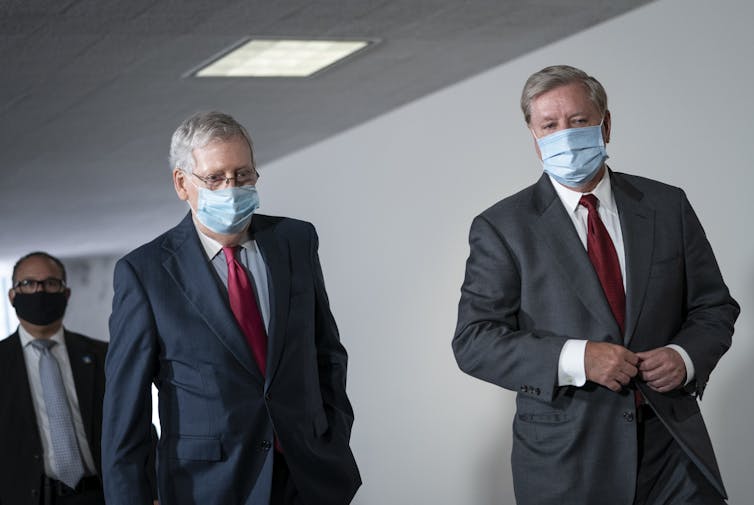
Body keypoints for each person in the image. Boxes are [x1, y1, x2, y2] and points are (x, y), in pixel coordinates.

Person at [452, 65, 739, 505]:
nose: (564, 134)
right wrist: (577, 358)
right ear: (534, 136)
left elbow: (713, 307)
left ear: (605, 124)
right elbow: (474, 341)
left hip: (674, 452)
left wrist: (685, 356)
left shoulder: (667, 205)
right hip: (568, 461)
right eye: (550, 125)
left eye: (578, 121)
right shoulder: (502, 227)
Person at [102, 111, 361, 505]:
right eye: (215, 178)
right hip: (208, 485)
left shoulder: (295, 240)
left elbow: (326, 352)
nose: (232, 188)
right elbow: (126, 417)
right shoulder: (145, 273)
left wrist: (331, 434)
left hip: (308, 476)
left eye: (243, 175)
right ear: (181, 183)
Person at [0, 252, 108, 505]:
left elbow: (137, 427)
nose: (40, 291)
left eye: (51, 283)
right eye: (28, 284)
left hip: (100, 495)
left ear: (66, 293)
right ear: (12, 296)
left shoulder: (103, 356)